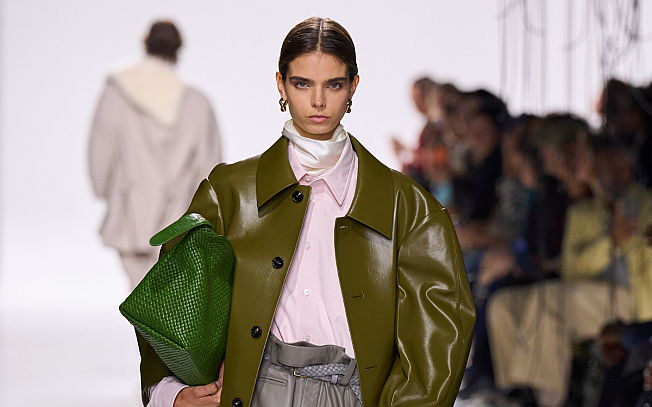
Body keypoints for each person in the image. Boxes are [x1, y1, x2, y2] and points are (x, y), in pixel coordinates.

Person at [137, 17, 474, 407]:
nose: (318, 101)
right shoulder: (230, 194)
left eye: (333, 85)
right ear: (280, 85)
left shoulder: (409, 209)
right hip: (252, 393)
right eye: (302, 84)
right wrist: (171, 393)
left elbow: (441, 340)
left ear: (353, 87)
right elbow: (170, 303)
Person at [487, 141, 652, 407]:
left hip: (633, 300)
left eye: (620, 165)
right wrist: (609, 243)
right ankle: (515, 392)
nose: (613, 173)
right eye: (604, 167)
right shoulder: (583, 212)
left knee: (548, 302)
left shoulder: (645, 203)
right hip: (587, 294)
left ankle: (551, 400)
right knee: (501, 304)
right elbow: (571, 269)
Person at [89, 21, 222, 289]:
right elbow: (210, 167)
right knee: (165, 295)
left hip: (129, 210)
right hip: (178, 214)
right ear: (178, 49)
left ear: (145, 43)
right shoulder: (197, 102)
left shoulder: (116, 93)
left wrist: (102, 190)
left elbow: (100, 149)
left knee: (139, 290)